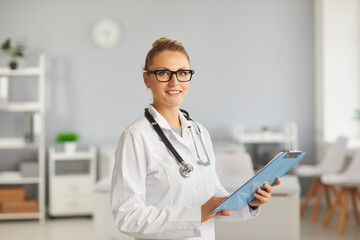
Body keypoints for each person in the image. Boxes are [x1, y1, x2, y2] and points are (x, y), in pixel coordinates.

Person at [111, 37, 281, 240]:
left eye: (182, 73)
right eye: (164, 73)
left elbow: (212, 195)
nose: (175, 82)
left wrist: (249, 201)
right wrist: (195, 215)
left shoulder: (199, 132)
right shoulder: (136, 136)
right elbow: (127, 216)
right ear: (147, 79)